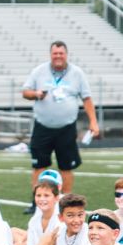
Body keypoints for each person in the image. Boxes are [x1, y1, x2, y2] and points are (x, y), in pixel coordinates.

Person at [20, 41, 99, 204]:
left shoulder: (77, 73)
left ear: (66, 55)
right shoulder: (39, 71)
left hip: (66, 127)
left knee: (66, 166)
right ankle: (37, 201)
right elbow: (25, 92)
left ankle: (66, 200)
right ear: (50, 55)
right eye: (55, 53)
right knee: (39, 166)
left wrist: (93, 122)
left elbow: (86, 98)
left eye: (61, 53)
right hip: (43, 126)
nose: (58, 56)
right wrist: (36, 93)